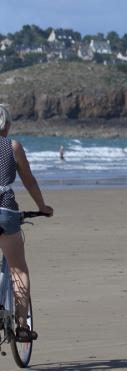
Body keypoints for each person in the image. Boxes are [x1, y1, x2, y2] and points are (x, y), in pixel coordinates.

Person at [0, 104, 53, 342]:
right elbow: (29, 181)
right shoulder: (13, 147)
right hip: (5, 211)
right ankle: (22, 325)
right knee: (18, 269)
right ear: (7, 124)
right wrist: (42, 207)